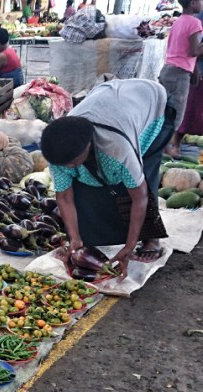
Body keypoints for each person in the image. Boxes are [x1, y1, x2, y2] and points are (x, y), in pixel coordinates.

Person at [40, 80, 173, 275]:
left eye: (74, 161)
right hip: (107, 98)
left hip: (149, 103)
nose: (68, 166)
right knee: (85, 185)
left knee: (144, 174)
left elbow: (140, 196)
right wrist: (75, 238)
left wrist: (129, 246)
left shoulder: (117, 147)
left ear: (88, 146)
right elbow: (65, 197)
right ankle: (93, 237)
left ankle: (150, 238)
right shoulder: (59, 151)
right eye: (64, 164)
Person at [158, 0, 203, 158]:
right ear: (192, 3)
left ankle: (160, 145)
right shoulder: (195, 23)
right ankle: (164, 147)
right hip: (179, 74)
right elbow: (194, 51)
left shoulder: (178, 21)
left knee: (164, 112)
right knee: (176, 115)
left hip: (168, 70)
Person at [177, 9, 203, 137]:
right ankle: (173, 143)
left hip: (190, 67)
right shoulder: (196, 21)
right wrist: (196, 68)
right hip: (193, 68)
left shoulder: (184, 20)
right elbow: (194, 50)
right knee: (187, 111)